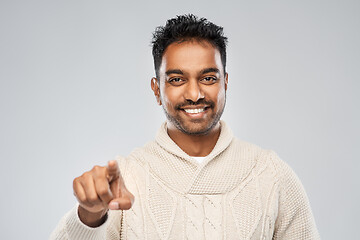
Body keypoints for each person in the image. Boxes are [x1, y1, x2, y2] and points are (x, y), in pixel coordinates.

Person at [51, 14, 320, 239]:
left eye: (208, 78)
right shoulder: (124, 179)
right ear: (157, 90)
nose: (194, 93)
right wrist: (89, 216)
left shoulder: (272, 175)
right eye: (177, 79)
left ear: (225, 83)